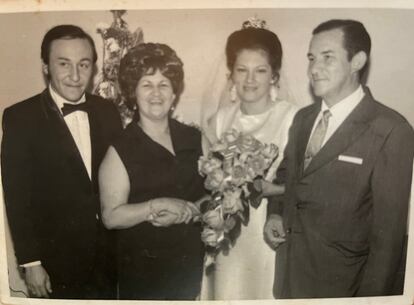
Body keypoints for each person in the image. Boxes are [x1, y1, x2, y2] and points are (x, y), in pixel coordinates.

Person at [265, 19, 414, 298]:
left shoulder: (391, 129)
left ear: (357, 61)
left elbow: (388, 240)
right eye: (311, 58)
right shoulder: (303, 119)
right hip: (290, 279)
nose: (313, 68)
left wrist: (372, 300)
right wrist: (275, 212)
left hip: (345, 286)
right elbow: (287, 179)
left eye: (327, 57)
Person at [1, 25, 122, 299]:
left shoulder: (107, 111)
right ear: (45, 66)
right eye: (64, 64)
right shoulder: (20, 118)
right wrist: (31, 263)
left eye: (84, 64)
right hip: (54, 266)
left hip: (108, 260)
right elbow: (17, 197)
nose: (75, 76)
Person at [99, 42, 205, 300]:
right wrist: (156, 205)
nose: (156, 93)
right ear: (133, 92)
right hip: (144, 271)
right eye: (146, 85)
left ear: (174, 92)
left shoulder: (194, 138)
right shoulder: (120, 149)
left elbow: (212, 195)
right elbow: (111, 216)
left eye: (164, 84)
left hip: (190, 264)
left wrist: (193, 211)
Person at [202, 18, 298, 300]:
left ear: (274, 76)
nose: (250, 80)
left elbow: (298, 181)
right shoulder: (220, 120)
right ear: (230, 74)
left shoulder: (292, 117)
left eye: (260, 71)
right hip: (228, 234)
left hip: (269, 230)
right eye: (241, 70)